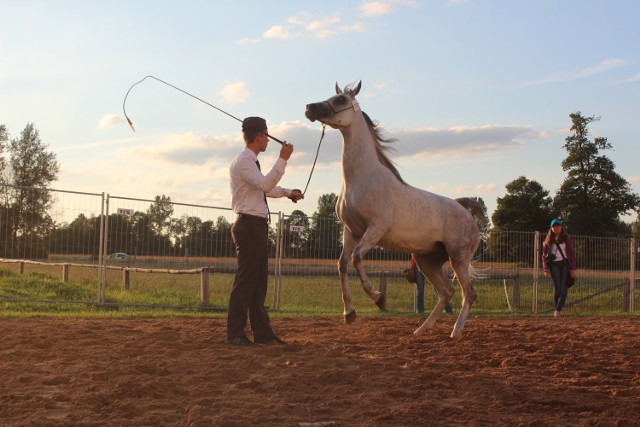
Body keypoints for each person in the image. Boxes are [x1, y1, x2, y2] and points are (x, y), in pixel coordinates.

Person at [227, 116, 304, 346]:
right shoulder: (244, 161)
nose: (269, 140)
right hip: (249, 226)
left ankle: (262, 333)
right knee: (246, 282)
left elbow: (265, 188)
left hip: (255, 227)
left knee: (258, 283)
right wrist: (283, 159)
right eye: (267, 135)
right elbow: (264, 185)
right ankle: (235, 334)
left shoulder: (249, 162)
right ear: (259, 136)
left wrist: (289, 192)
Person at [542, 219, 576, 317]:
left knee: (563, 287)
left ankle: (558, 310)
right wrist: (545, 269)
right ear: (551, 228)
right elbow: (544, 256)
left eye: (558, 226)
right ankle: (557, 309)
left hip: (564, 264)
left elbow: (572, 254)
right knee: (557, 288)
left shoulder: (566, 239)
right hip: (553, 265)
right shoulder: (548, 241)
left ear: (561, 227)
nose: (556, 228)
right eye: (554, 226)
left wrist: (573, 268)